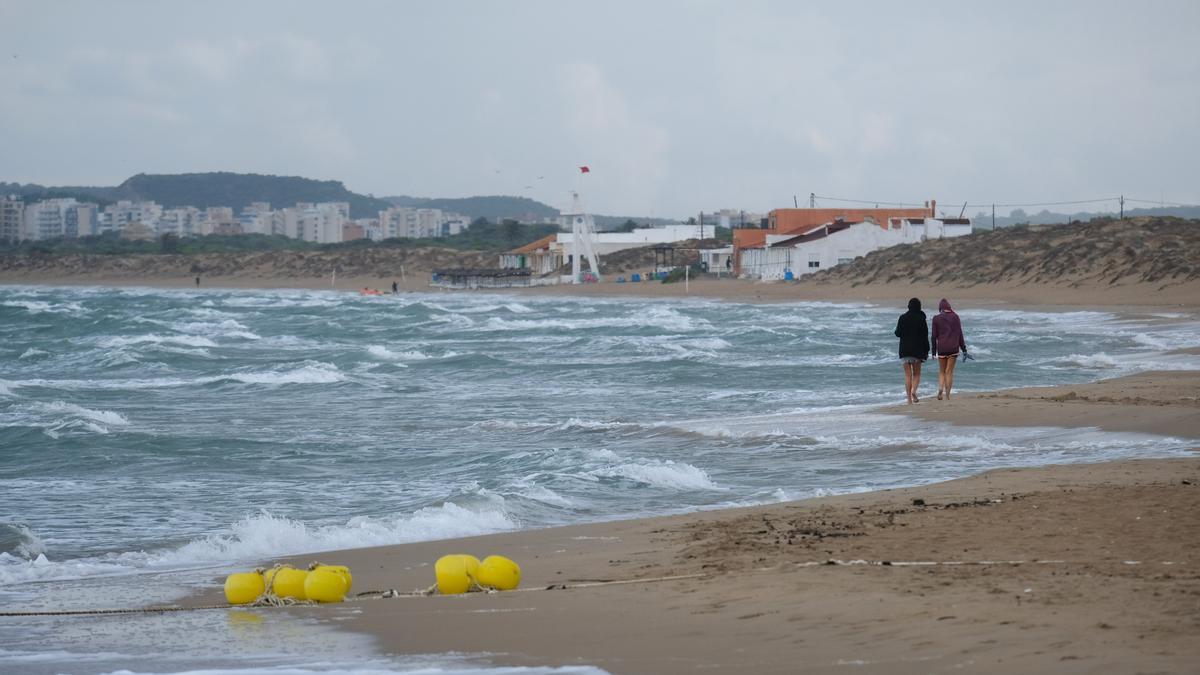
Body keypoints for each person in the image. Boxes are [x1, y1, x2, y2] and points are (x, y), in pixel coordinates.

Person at [894, 298, 929, 404]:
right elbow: (925, 336)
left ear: (909, 306)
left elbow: (897, 333)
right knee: (916, 374)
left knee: (907, 375)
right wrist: (927, 350)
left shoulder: (902, 317)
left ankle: (909, 399)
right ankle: (914, 391)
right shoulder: (921, 318)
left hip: (904, 350)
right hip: (917, 350)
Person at [931, 298, 967, 400]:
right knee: (949, 372)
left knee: (942, 371)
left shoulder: (936, 318)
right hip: (953, 348)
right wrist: (964, 349)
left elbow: (933, 336)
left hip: (942, 348)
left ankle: (940, 389)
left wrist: (933, 352)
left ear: (940, 308)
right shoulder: (956, 317)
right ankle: (947, 395)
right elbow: (960, 334)